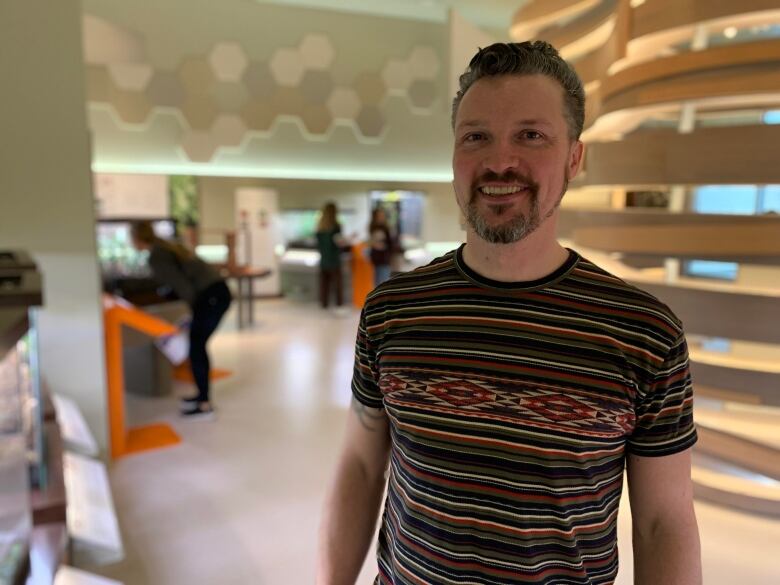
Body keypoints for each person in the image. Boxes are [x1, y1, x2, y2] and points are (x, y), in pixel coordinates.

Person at [317, 41, 701, 585]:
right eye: (477, 137)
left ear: (574, 158)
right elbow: (360, 464)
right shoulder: (392, 311)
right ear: (454, 155)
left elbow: (664, 523)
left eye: (531, 135)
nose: (499, 161)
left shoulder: (643, 333)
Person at [131, 221, 232, 420]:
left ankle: (204, 404)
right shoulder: (165, 248)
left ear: (137, 238)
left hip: (211, 297)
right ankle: (201, 396)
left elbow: (182, 286)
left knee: (197, 347)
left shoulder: (157, 255)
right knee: (197, 346)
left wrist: (194, 311)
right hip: (216, 294)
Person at [316, 202, 347, 310]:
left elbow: (319, 245)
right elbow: (339, 243)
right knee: (337, 285)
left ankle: (324, 304)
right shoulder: (336, 227)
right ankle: (339, 305)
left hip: (324, 260)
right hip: (334, 261)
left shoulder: (319, 227)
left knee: (324, 285)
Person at [367, 207, 394, 287]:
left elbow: (390, 245)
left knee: (384, 282)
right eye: (379, 216)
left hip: (384, 259)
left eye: (382, 216)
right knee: (376, 283)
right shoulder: (372, 228)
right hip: (374, 259)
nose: (381, 218)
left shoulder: (387, 228)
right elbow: (370, 242)